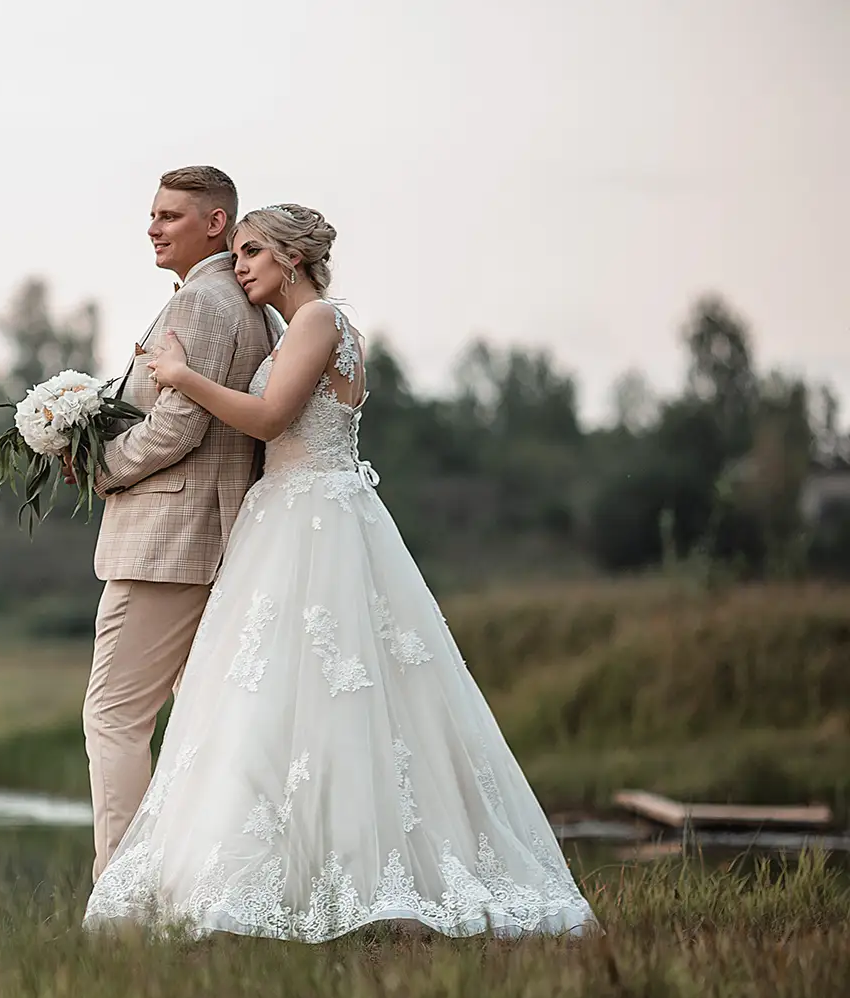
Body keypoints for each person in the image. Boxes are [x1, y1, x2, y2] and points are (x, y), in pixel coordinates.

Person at [83, 203, 596, 940]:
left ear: (292, 256)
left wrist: (180, 376)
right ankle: (288, 867)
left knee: (313, 695)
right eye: (238, 254)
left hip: (309, 519)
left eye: (253, 252)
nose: (243, 267)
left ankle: (335, 878)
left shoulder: (320, 318)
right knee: (290, 701)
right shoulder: (308, 327)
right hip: (301, 509)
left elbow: (267, 419)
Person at [78, 165, 273, 882]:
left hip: (170, 540)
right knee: (201, 727)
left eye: (170, 216)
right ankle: (203, 884)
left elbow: (177, 427)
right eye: (152, 216)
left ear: (216, 223)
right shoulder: (247, 303)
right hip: (214, 536)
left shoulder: (202, 304)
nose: (153, 227)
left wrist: (99, 466)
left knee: (114, 718)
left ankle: (122, 893)